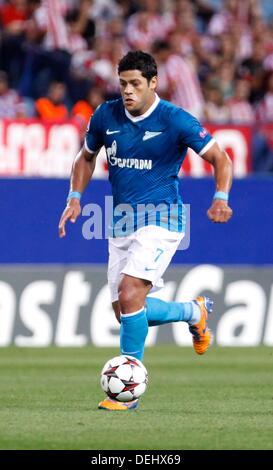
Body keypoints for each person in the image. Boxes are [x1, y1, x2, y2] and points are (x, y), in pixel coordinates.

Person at [58, 50, 233, 411]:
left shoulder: (175, 120)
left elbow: (221, 158)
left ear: (154, 83)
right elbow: (85, 156)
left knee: (129, 290)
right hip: (120, 222)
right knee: (126, 310)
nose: (127, 90)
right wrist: (75, 197)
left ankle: (126, 394)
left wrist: (220, 197)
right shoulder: (106, 115)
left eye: (136, 83)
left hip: (163, 219)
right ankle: (193, 312)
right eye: (123, 83)